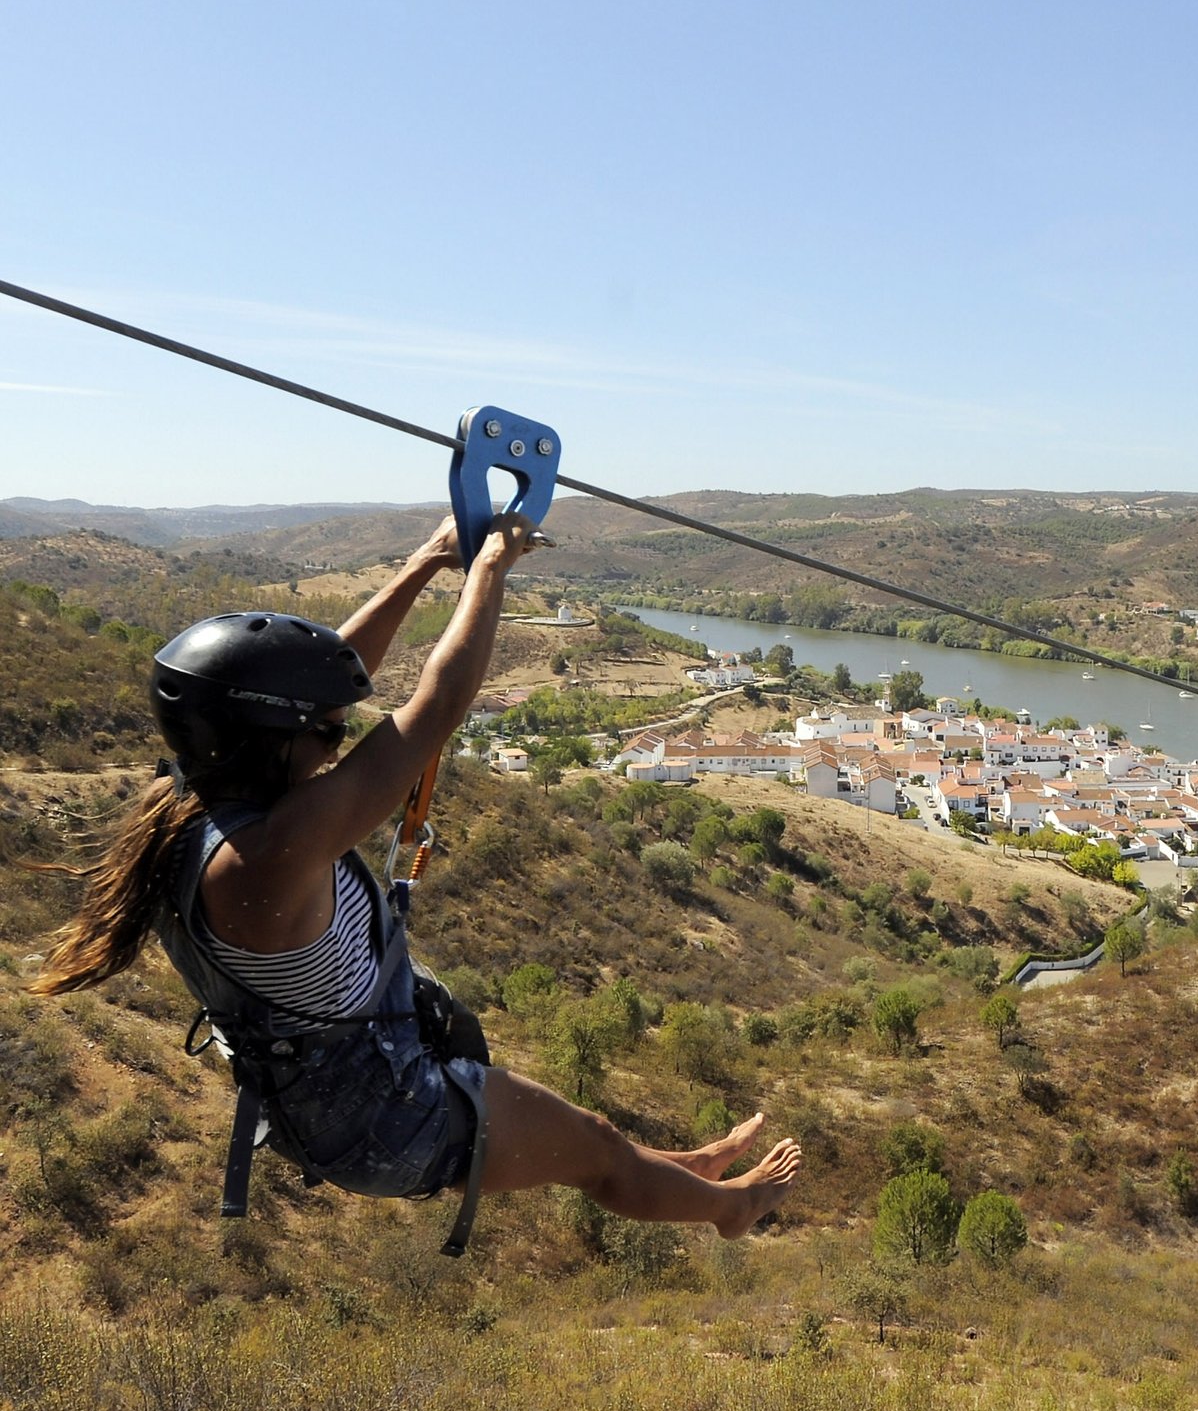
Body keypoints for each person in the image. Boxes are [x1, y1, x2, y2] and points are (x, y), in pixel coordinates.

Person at [30, 510, 800, 1253]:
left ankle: (691, 1174)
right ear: (269, 742)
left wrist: (424, 564)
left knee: (592, 1137)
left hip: (352, 1094)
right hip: (391, 1118)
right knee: (597, 1158)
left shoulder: (191, 799)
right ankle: (729, 1211)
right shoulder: (269, 854)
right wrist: (489, 569)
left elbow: (329, 679)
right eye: (328, 733)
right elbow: (435, 708)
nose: (339, 741)